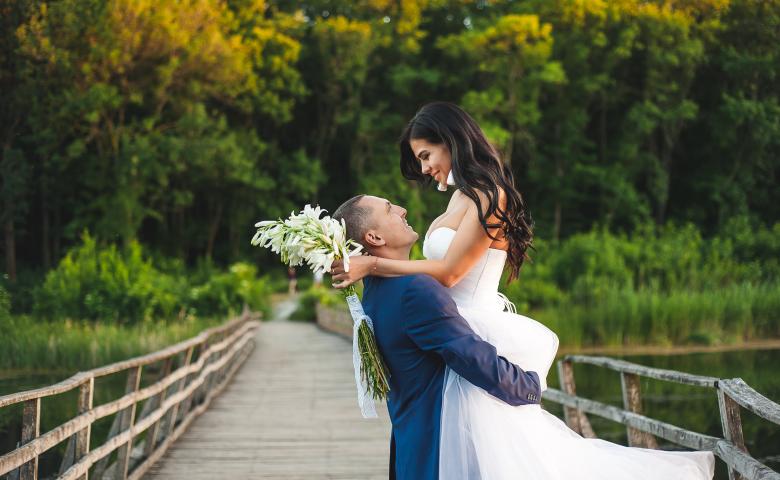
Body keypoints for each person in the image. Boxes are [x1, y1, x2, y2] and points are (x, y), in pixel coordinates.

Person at [331, 102, 714, 479]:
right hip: (452, 330)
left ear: (451, 140)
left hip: (473, 325)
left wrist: (374, 264)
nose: (425, 168)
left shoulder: (490, 195)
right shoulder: (457, 198)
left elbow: (448, 274)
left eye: (426, 155)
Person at [332, 195, 542, 480]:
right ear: (374, 237)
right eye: (389, 209)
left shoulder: (375, 290)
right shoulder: (414, 290)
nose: (402, 209)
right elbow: (469, 355)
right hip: (442, 452)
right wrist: (528, 387)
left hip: (411, 450)